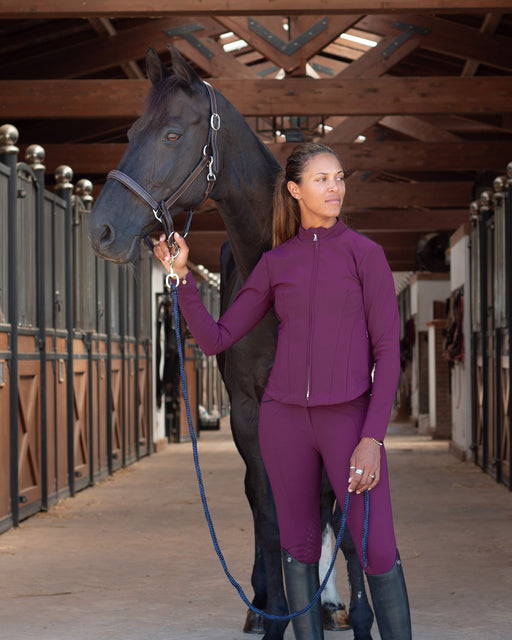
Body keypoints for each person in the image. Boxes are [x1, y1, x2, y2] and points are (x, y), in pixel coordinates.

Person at [154, 142, 412, 640]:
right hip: (284, 423)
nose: (334, 187)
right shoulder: (276, 264)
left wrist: (372, 437)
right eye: (321, 179)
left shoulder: (367, 256)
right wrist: (181, 277)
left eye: (339, 177)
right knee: (297, 546)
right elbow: (217, 339)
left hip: (349, 421)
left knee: (377, 545)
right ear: (295, 190)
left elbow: (389, 354)